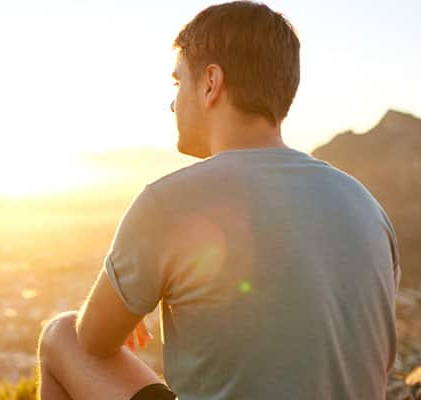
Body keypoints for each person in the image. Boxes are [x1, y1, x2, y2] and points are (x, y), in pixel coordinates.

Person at [36, 1, 401, 399]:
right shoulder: (367, 206)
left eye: (178, 83)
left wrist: (130, 302)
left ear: (211, 83)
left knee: (60, 334)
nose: (173, 103)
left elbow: (93, 339)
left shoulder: (168, 201)